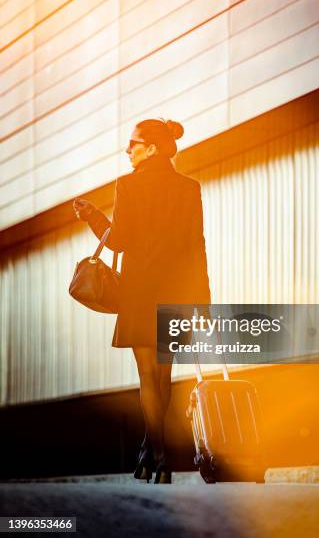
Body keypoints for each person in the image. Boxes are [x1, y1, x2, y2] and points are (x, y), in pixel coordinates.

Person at [73, 118, 211, 483]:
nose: (127, 150)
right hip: (176, 292)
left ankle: (159, 455)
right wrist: (203, 303)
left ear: (151, 148)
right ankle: (151, 453)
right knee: (163, 378)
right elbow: (197, 246)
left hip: (139, 291)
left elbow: (118, 240)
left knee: (148, 377)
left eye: (133, 144)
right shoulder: (189, 188)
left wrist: (91, 216)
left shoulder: (128, 185)